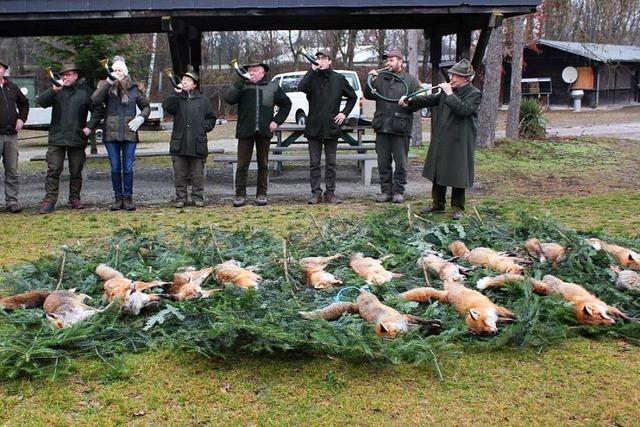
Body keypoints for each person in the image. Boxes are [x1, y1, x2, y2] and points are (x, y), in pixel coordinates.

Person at [400, 58, 481, 220]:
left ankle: (458, 207)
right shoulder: (447, 90)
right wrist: (410, 101)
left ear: (466, 78)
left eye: (456, 76)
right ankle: (438, 205)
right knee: (439, 171)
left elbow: (463, 110)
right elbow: (430, 100)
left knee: (458, 173)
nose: (452, 78)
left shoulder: (474, 94)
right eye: (452, 75)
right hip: (443, 139)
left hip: (460, 140)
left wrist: (450, 93)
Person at [36, 62, 103, 214]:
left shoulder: (85, 92)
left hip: (77, 137)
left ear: (76, 76)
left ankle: (74, 198)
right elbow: (41, 102)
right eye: (63, 74)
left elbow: (98, 110)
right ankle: (50, 200)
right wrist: (53, 90)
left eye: (69, 74)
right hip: (57, 137)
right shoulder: (56, 90)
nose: (66, 77)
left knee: (76, 170)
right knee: (53, 170)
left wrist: (89, 128)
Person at [224, 58, 291, 207]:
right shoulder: (242, 86)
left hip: (264, 131)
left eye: (255, 69)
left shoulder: (273, 86)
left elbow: (286, 104)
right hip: (245, 131)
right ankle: (240, 195)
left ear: (263, 72)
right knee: (242, 165)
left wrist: (276, 121)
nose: (251, 72)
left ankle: (261, 194)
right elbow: (229, 99)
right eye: (249, 70)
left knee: (263, 164)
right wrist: (241, 82)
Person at [298, 50, 357, 204]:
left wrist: (344, 113)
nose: (321, 61)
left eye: (324, 58)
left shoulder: (338, 79)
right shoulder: (311, 77)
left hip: (332, 126)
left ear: (330, 61)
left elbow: (352, 97)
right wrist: (311, 70)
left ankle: (330, 193)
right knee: (314, 163)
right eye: (318, 58)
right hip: (314, 127)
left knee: (331, 163)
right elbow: (301, 87)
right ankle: (316, 193)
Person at [91, 56, 150, 211]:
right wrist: (109, 82)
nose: (117, 72)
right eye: (115, 70)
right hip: (111, 135)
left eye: (120, 70)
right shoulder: (107, 88)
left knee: (128, 168)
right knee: (115, 167)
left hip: (130, 133)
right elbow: (95, 100)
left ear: (125, 72)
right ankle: (118, 198)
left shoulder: (134, 89)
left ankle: (128, 198)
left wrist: (141, 118)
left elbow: (146, 107)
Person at [363, 49, 420, 204]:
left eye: (392, 60)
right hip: (382, 126)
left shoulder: (411, 81)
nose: (388, 63)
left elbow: (419, 103)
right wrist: (370, 80)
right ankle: (385, 191)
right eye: (387, 60)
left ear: (401, 62)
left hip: (400, 127)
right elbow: (368, 95)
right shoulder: (380, 78)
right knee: (383, 162)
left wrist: (409, 102)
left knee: (401, 163)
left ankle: (398, 191)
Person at [162, 68, 217, 208]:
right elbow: (166, 106)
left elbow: (211, 118)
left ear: (195, 85)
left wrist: (203, 127)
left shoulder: (203, 100)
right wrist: (176, 93)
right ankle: (181, 198)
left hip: (197, 143)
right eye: (183, 80)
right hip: (179, 143)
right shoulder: (177, 98)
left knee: (197, 174)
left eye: (188, 81)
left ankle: (198, 197)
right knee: (180, 173)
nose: (184, 82)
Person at [0, 59, 29, 213]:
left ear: (5, 70)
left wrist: (21, 118)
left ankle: (12, 201)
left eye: (0, 68)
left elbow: (24, 103)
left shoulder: (12, 87)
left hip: (11, 135)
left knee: (12, 170)